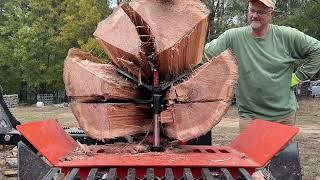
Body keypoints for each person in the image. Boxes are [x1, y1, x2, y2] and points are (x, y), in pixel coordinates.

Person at [205, 0, 320, 131]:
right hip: (250, 117)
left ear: (272, 14)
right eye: (252, 10)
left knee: (284, 152)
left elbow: (318, 50)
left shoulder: (287, 36)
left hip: (283, 117)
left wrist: (299, 77)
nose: (254, 15)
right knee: (249, 152)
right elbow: (204, 54)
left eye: (260, 12)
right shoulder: (232, 37)